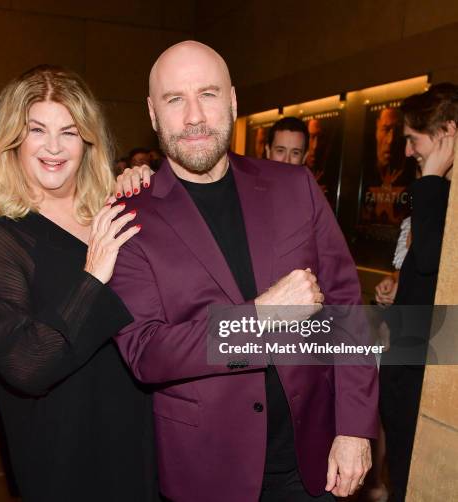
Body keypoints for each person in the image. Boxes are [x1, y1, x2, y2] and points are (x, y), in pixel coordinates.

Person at [109, 41, 378, 502]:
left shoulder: (295, 187)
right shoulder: (128, 217)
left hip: (312, 460)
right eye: (175, 99)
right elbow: (147, 353)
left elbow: (346, 306)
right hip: (209, 471)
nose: (194, 116)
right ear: (153, 114)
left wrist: (355, 428)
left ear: (232, 101)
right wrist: (260, 317)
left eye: (208, 94)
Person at [0, 65, 158, 502]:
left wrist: (143, 195)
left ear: (87, 141)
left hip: (136, 432)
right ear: (14, 139)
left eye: (69, 132)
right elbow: (25, 365)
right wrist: (94, 276)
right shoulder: (1, 238)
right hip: (63, 450)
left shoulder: (115, 212)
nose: (54, 147)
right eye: (38, 129)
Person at [379, 83, 455, 502]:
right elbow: (425, 272)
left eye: (413, 139)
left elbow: (429, 259)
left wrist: (429, 180)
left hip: (431, 378)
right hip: (411, 369)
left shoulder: (436, 191)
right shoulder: (437, 195)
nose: (407, 152)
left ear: (446, 133)